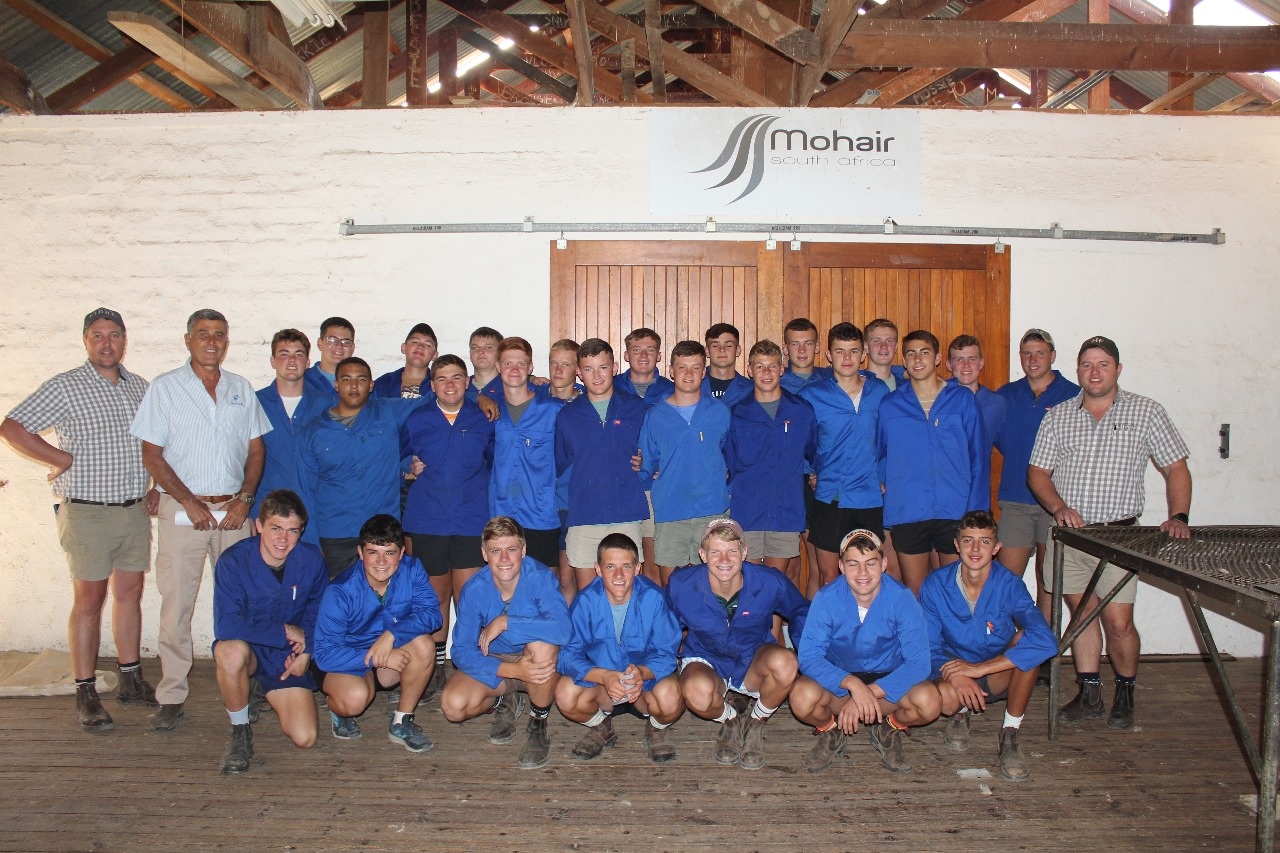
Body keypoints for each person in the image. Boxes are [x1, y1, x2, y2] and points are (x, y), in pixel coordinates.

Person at [1, 308, 159, 732]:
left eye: (114, 335)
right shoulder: (67, 387)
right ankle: (86, 689)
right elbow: (12, 427)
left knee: (130, 593)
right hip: (87, 510)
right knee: (89, 601)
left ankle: (130, 678)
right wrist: (59, 457)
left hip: (133, 509)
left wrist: (155, 486)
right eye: (97, 336)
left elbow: (155, 445)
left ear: (125, 340)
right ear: (86, 341)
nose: (106, 343)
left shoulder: (140, 389)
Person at [1028, 335, 1191, 730]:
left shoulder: (1147, 412)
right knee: (1081, 616)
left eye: (1103, 364)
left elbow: (1176, 468)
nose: (1094, 372)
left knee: (1118, 622)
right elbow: (1038, 473)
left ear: (1118, 369)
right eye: (1087, 364)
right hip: (1071, 537)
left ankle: (1126, 691)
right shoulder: (1059, 415)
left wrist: (1179, 516)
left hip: (1120, 538)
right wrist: (1058, 507)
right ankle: (1089, 694)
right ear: (1078, 369)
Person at [130, 308, 271, 733]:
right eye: (204, 334)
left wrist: (246, 500)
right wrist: (188, 502)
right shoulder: (165, 388)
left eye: (220, 335)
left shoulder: (240, 389)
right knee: (177, 602)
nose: (213, 342)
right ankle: (172, 694)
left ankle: (249, 683)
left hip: (233, 511)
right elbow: (151, 454)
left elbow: (256, 451)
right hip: (181, 510)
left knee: (249, 597)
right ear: (188, 339)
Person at [919, 511, 1056, 782]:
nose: (975, 549)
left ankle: (1010, 733)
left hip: (996, 672)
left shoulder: (1009, 584)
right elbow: (927, 646)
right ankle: (959, 714)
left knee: (1027, 643)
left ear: (996, 548)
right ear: (956, 545)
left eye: (984, 542)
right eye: (968, 540)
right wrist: (958, 674)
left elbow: (1046, 639)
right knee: (943, 700)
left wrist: (979, 669)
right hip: (954, 667)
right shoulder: (935, 584)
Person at [791, 530, 941, 774]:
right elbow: (808, 656)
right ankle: (832, 731)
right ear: (840, 566)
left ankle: (889, 728)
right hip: (840, 680)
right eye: (853, 564)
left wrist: (868, 692)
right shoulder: (826, 598)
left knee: (930, 702)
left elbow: (919, 662)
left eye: (870, 563)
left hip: (887, 683)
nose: (862, 573)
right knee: (801, 697)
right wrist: (852, 685)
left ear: (884, 563)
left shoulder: (902, 598)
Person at [666, 519, 809, 770]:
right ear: (702, 555)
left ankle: (755, 722)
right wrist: (655, 670)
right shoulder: (682, 585)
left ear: (744, 552)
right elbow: (662, 628)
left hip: (751, 657)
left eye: (732, 551)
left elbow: (800, 611)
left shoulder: (769, 581)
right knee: (695, 691)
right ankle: (729, 721)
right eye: (715, 552)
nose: (724, 559)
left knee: (786, 663)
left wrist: (810, 658)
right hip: (705, 657)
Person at [401, 354, 497, 700]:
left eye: (457, 378)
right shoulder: (418, 419)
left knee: (469, 597)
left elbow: (494, 457)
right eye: (442, 379)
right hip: (428, 519)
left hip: (471, 518)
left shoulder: (483, 418)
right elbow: (399, 453)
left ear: (467, 382)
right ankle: (436, 666)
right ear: (432, 385)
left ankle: (469, 663)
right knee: (436, 597)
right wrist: (407, 465)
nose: (450, 385)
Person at [212, 490, 328, 774]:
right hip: (249, 650)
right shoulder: (233, 561)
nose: (283, 539)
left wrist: (308, 652)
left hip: (286, 657)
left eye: (292, 531)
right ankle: (240, 731)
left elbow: (319, 611)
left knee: (306, 737)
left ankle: (259, 689)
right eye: (276, 528)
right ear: (259, 525)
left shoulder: (311, 559)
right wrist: (285, 630)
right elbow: (226, 624)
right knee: (229, 652)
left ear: (301, 531)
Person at [441, 516, 571, 770]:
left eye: (511, 549)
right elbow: (461, 651)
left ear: (523, 550)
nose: (503, 559)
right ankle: (505, 699)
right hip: (499, 662)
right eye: (495, 551)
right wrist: (512, 671)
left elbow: (563, 629)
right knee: (453, 706)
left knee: (543, 646)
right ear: (484, 554)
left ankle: (538, 722)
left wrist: (504, 622)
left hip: (532, 656)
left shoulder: (541, 577)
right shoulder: (474, 588)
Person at [313, 514, 441, 751]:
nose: (381, 561)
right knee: (353, 701)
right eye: (373, 552)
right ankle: (338, 708)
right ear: (360, 553)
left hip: (387, 658)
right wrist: (374, 656)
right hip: (348, 660)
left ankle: (402, 720)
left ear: (401, 553)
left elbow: (432, 615)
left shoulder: (413, 570)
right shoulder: (340, 591)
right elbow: (323, 654)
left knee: (424, 644)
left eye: (389, 553)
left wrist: (392, 635)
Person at [877, 330, 989, 595]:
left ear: (938, 358)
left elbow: (979, 458)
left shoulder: (962, 399)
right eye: (911, 353)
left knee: (955, 590)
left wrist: (976, 514)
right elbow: (878, 451)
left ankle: (952, 638)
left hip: (956, 510)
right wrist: (884, 483)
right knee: (915, 590)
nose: (918, 359)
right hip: (908, 510)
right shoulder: (890, 404)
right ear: (903, 361)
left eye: (924, 352)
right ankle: (920, 639)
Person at [555, 533, 684, 763]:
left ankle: (655, 728)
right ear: (598, 569)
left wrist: (642, 673)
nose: (618, 575)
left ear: (637, 568)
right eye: (610, 566)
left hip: (644, 686)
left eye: (626, 566)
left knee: (672, 697)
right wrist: (603, 676)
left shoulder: (653, 598)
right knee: (565, 693)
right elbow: (566, 655)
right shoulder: (586, 601)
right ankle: (601, 727)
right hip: (604, 688)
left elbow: (667, 652)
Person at [297, 357, 427, 577]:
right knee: (340, 603)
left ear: (371, 384)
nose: (354, 385)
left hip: (383, 535)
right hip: (336, 536)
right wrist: (311, 544)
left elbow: (440, 398)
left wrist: (480, 397)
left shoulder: (387, 412)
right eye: (346, 379)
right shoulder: (313, 432)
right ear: (336, 385)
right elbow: (304, 491)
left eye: (361, 379)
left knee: (385, 603)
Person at [799, 323, 890, 598]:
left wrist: (883, 476)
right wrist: (809, 471)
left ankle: (866, 639)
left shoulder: (880, 391)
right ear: (828, 355)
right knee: (828, 577)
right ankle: (817, 640)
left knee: (870, 577)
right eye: (840, 351)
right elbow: (799, 443)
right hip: (830, 496)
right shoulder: (812, 395)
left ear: (863, 354)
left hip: (870, 499)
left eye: (853, 351)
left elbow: (889, 440)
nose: (847, 358)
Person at [993, 330, 1080, 615]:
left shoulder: (1073, 395)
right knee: (1005, 580)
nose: (1033, 359)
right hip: (1016, 499)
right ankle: (1004, 649)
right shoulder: (1006, 395)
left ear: (1052, 356)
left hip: (1056, 503)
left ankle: (1041, 652)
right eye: (1027, 353)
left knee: (1049, 581)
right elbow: (996, 439)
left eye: (1040, 353)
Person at [555, 338, 649, 593]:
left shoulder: (637, 408)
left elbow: (653, 453)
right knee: (589, 596)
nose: (596, 376)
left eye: (603, 367)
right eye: (588, 369)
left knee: (626, 592)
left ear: (615, 367)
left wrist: (645, 462)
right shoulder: (568, 415)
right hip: (584, 515)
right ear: (578, 373)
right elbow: (560, 463)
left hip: (625, 514)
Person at [637, 341, 731, 585]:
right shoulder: (656, 415)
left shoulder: (720, 412)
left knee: (714, 587)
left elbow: (730, 455)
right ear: (671, 371)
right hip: (671, 513)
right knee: (674, 590)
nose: (688, 374)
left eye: (695, 368)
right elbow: (645, 464)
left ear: (704, 372)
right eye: (682, 367)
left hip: (712, 512)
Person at [725, 340, 816, 585]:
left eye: (772, 367)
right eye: (760, 367)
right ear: (749, 369)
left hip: (785, 513)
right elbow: (728, 462)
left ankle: (776, 627)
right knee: (749, 583)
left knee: (777, 584)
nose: (766, 373)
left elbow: (813, 452)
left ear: (782, 368)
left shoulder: (802, 411)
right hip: (748, 512)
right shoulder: (736, 413)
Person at [490, 337, 567, 569]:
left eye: (521, 364)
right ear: (497, 368)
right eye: (508, 363)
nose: (514, 369)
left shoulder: (553, 411)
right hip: (500, 517)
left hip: (541, 516)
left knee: (546, 589)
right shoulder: (489, 413)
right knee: (505, 589)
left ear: (531, 368)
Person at [255, 329, 330, 546]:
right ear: (272, 360)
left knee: (313, 575)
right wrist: (252, 513)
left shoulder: (326, 405)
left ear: (307, 361)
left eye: (298, 354)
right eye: (284, 353)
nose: (291, 360)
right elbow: (244, 459)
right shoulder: (254, 404)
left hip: (316, 514)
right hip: (269, 513)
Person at [946, 334, 1007, 456]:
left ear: (981, 363)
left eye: (972, 359)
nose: (966, 365)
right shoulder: (937, 397)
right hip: (944, 474)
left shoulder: (996, 403)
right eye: (959, 359)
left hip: (979, 474)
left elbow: (1009, 446)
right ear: (949, 365)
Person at [373, 323, 437, 399]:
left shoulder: (440, 386)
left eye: (427, 345)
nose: (420, 347)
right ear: (403, 348)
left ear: (434, 355)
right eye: (415, 342)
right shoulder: (383, 383)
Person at [614, 327, 674, 405]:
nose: (643, 355)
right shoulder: (613, 387)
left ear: (658, 356)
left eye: (650, 350)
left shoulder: (671, 390)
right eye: (636, 350)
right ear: (626, 356)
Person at [701, 323, 754, 408]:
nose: (722, 349)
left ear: (737, 350)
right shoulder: (694, 385)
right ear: (707, 351)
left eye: (729, 345)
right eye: (715, 345)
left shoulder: (751, 389)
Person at [304, 316, 353, 400]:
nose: (339, 346)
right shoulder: (302, 380)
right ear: (320, 344)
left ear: (352, 348)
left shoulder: (361, 384)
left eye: (346, 342)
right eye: (332, 340)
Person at [779, 318, 830, 394]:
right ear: (785, 349)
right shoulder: (774, 382)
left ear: (816, 347)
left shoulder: (830, 378)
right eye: (795, 344)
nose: (802, 350)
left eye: (808, 343)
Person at [863, 318, 908, 392]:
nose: (884, 346)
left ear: (896, 347)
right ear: (866, 347)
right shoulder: (856, 384)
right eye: (877, 341)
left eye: (889, 341)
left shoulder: (907, 387)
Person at [466, 326, 504, 402]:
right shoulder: (458, 388)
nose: (480, 351)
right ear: (470, 354)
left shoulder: (510, 387)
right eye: (475, 348)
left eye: (488, 347)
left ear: (501, 354)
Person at [546, 338, 583, 403]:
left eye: (566, 365)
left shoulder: (587, 404)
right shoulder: (534, 397)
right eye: (554, 363)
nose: (558, 370)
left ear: (578, 369)